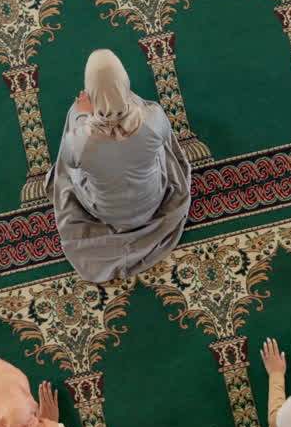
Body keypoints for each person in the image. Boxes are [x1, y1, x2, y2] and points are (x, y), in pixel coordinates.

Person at [46, 48, 192, 283]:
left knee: (73, 115)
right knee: (142, 112)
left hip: (106, 211)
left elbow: (69, 160)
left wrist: (82, 115)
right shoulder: (153, 118)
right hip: (153, 200)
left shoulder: (80, 142)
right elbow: (164, 138)